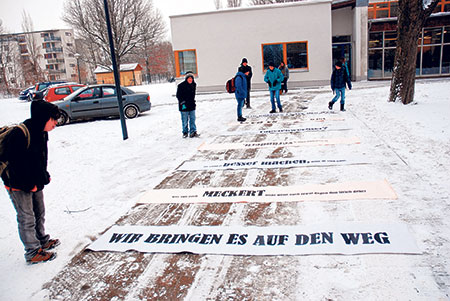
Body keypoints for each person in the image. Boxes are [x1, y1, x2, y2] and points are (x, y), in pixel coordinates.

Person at [2, 98, 61, 264]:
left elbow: (39, 158)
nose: (55, 123)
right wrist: (29, 185)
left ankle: (42, 240)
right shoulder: (19, 134)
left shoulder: (42, 132)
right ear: (43, 117)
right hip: (17, 184)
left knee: (39, 212)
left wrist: (43, 175)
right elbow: (14, 164)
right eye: (53, 119)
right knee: (26, 217)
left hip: (34, 181)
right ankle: (32, 251)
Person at [176, 72, 199, 138]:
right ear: (186, 79)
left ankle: (193, 131)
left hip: (191, 105)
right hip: (184, 105)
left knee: (192, 119)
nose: (190, 80)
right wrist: (182, 103)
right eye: (189, 78)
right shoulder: (181, 86)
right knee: (185, 120)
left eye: (191, 78)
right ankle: (185, 132)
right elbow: (178, 95)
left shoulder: (193, 85)